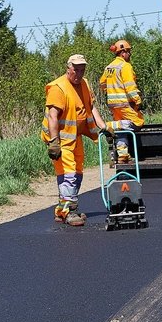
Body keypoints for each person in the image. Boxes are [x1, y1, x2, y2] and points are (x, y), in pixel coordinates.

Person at [42, 54, 111, 226]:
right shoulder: (58, 88)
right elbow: (52, 117)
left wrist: (103, 126)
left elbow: (91, 106)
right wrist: (54, 141)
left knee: (78, 172)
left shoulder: (85, 84)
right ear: (68, 68)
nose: (79, 74)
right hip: (60, 139)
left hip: (75, 136)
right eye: (76, 70)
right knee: (69, 174)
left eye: (82, 70)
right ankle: (70, 211)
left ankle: (61, 209)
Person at [99, 39, 144, 164]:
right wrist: (138, 101)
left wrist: (112, 90)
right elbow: (130, 86)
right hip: (125, 103)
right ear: (123, 52)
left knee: (121, 129)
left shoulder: (109, 67)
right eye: (128, 52)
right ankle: (108, 126)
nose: (129, 55)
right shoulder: (125, 66)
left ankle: (123, 155)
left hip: (113, 105)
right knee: (138, 122)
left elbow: (102, 84)